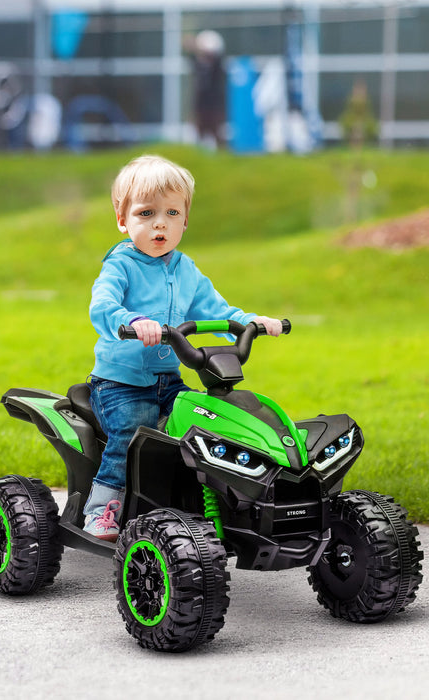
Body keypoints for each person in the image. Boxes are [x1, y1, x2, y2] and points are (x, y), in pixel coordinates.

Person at [84, 154, 282, 541]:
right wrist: (132, 323)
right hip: (120, 384)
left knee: (208, 423)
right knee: (131, 432)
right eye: (146, 213)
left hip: (168, 380)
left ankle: (208, 503)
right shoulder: (120, 265)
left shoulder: (185, 269)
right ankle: (102, 509)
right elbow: (102, 306)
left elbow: (218, 311)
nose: (160, 222)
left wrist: (252, 323)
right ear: (123, 220)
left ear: (185, 221)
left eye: (172, 212)